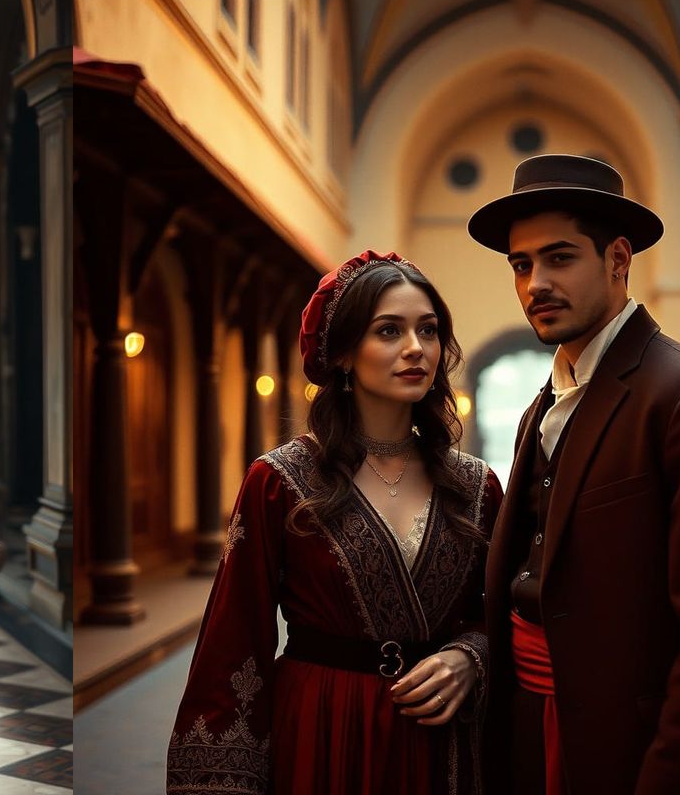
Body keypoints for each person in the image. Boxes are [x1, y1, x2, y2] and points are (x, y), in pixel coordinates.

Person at [468, 155, 680, 795]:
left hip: (636, 754)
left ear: (617, 259)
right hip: (534, 736)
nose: (535, 284)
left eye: (559, 258)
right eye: (521, 265)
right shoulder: (541, 406)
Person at [167, 251, 502, 795]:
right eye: (389, 331)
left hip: (439, 738)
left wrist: (473, 656)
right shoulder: (280, 481)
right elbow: (235, 638)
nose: (416, 348)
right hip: (324, 728)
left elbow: (505, 611)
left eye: (428, 330)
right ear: (342, 352)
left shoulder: (475, 486)